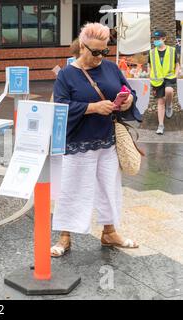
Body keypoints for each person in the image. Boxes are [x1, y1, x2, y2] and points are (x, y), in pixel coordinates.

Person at [51, 23, 142, 258]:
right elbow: (59, 106)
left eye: (104, 51)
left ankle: (110, 232)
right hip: (79, 142)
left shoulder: (111, 68)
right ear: (82, 46)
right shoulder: (67, 74)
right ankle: (65, 236)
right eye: (95, 52)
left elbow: (127, 90)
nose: (100, 57)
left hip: (107, 140)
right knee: (73, 188)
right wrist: (92, 107)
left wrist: (128, 100)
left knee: (109, 188)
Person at [148, 30, 180, 135]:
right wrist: (150, 75)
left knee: (169, 90)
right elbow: (150, 65)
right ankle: (161, 125)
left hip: (169, 77)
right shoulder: (151, 52)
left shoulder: (172, 50)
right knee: (160, 102)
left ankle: (169, 105)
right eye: (154, 39)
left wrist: (175, 74)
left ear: (164, 39)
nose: (155, 41)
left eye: (158, 39)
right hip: (157, 79)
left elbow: (177, 63)